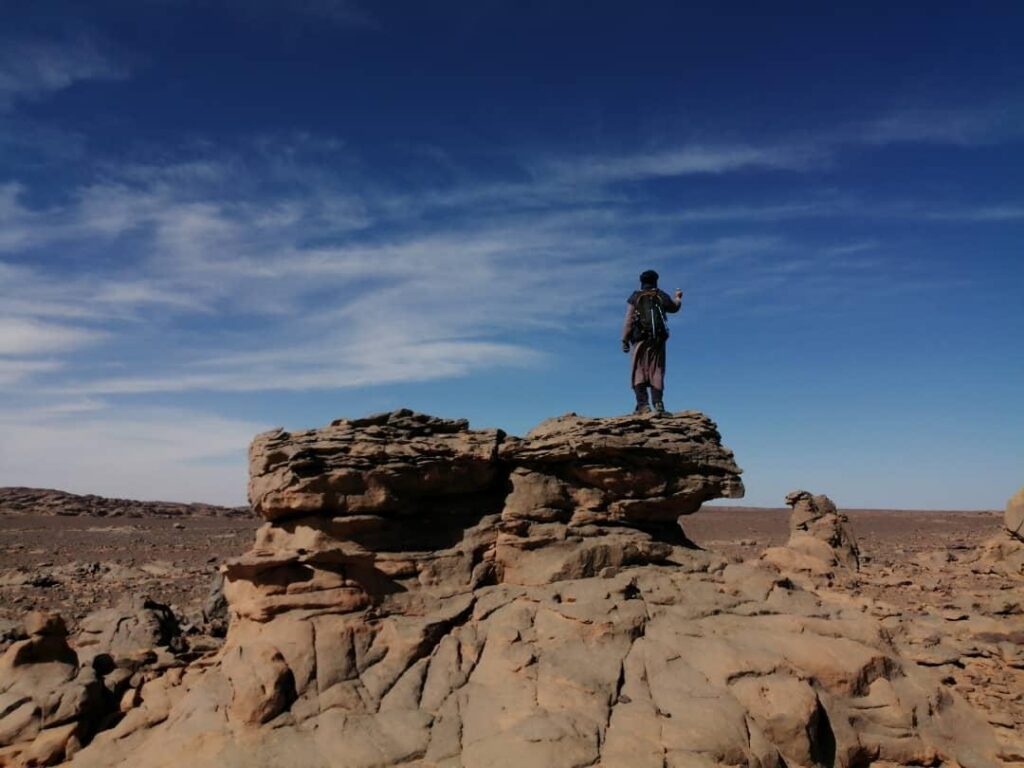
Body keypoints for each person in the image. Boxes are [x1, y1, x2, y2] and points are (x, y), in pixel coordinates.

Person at [621, 269, 683, 414]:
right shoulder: (660, 295)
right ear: (656, 281)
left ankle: (643, 405)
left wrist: (624, 340)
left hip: (640, 338)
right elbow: (674, 308)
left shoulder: (635, 297)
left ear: (641, 282)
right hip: (658, 339)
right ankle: (658, 404)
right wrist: (678, 298)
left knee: (638, 370)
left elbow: (628, 320)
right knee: (657, 370)